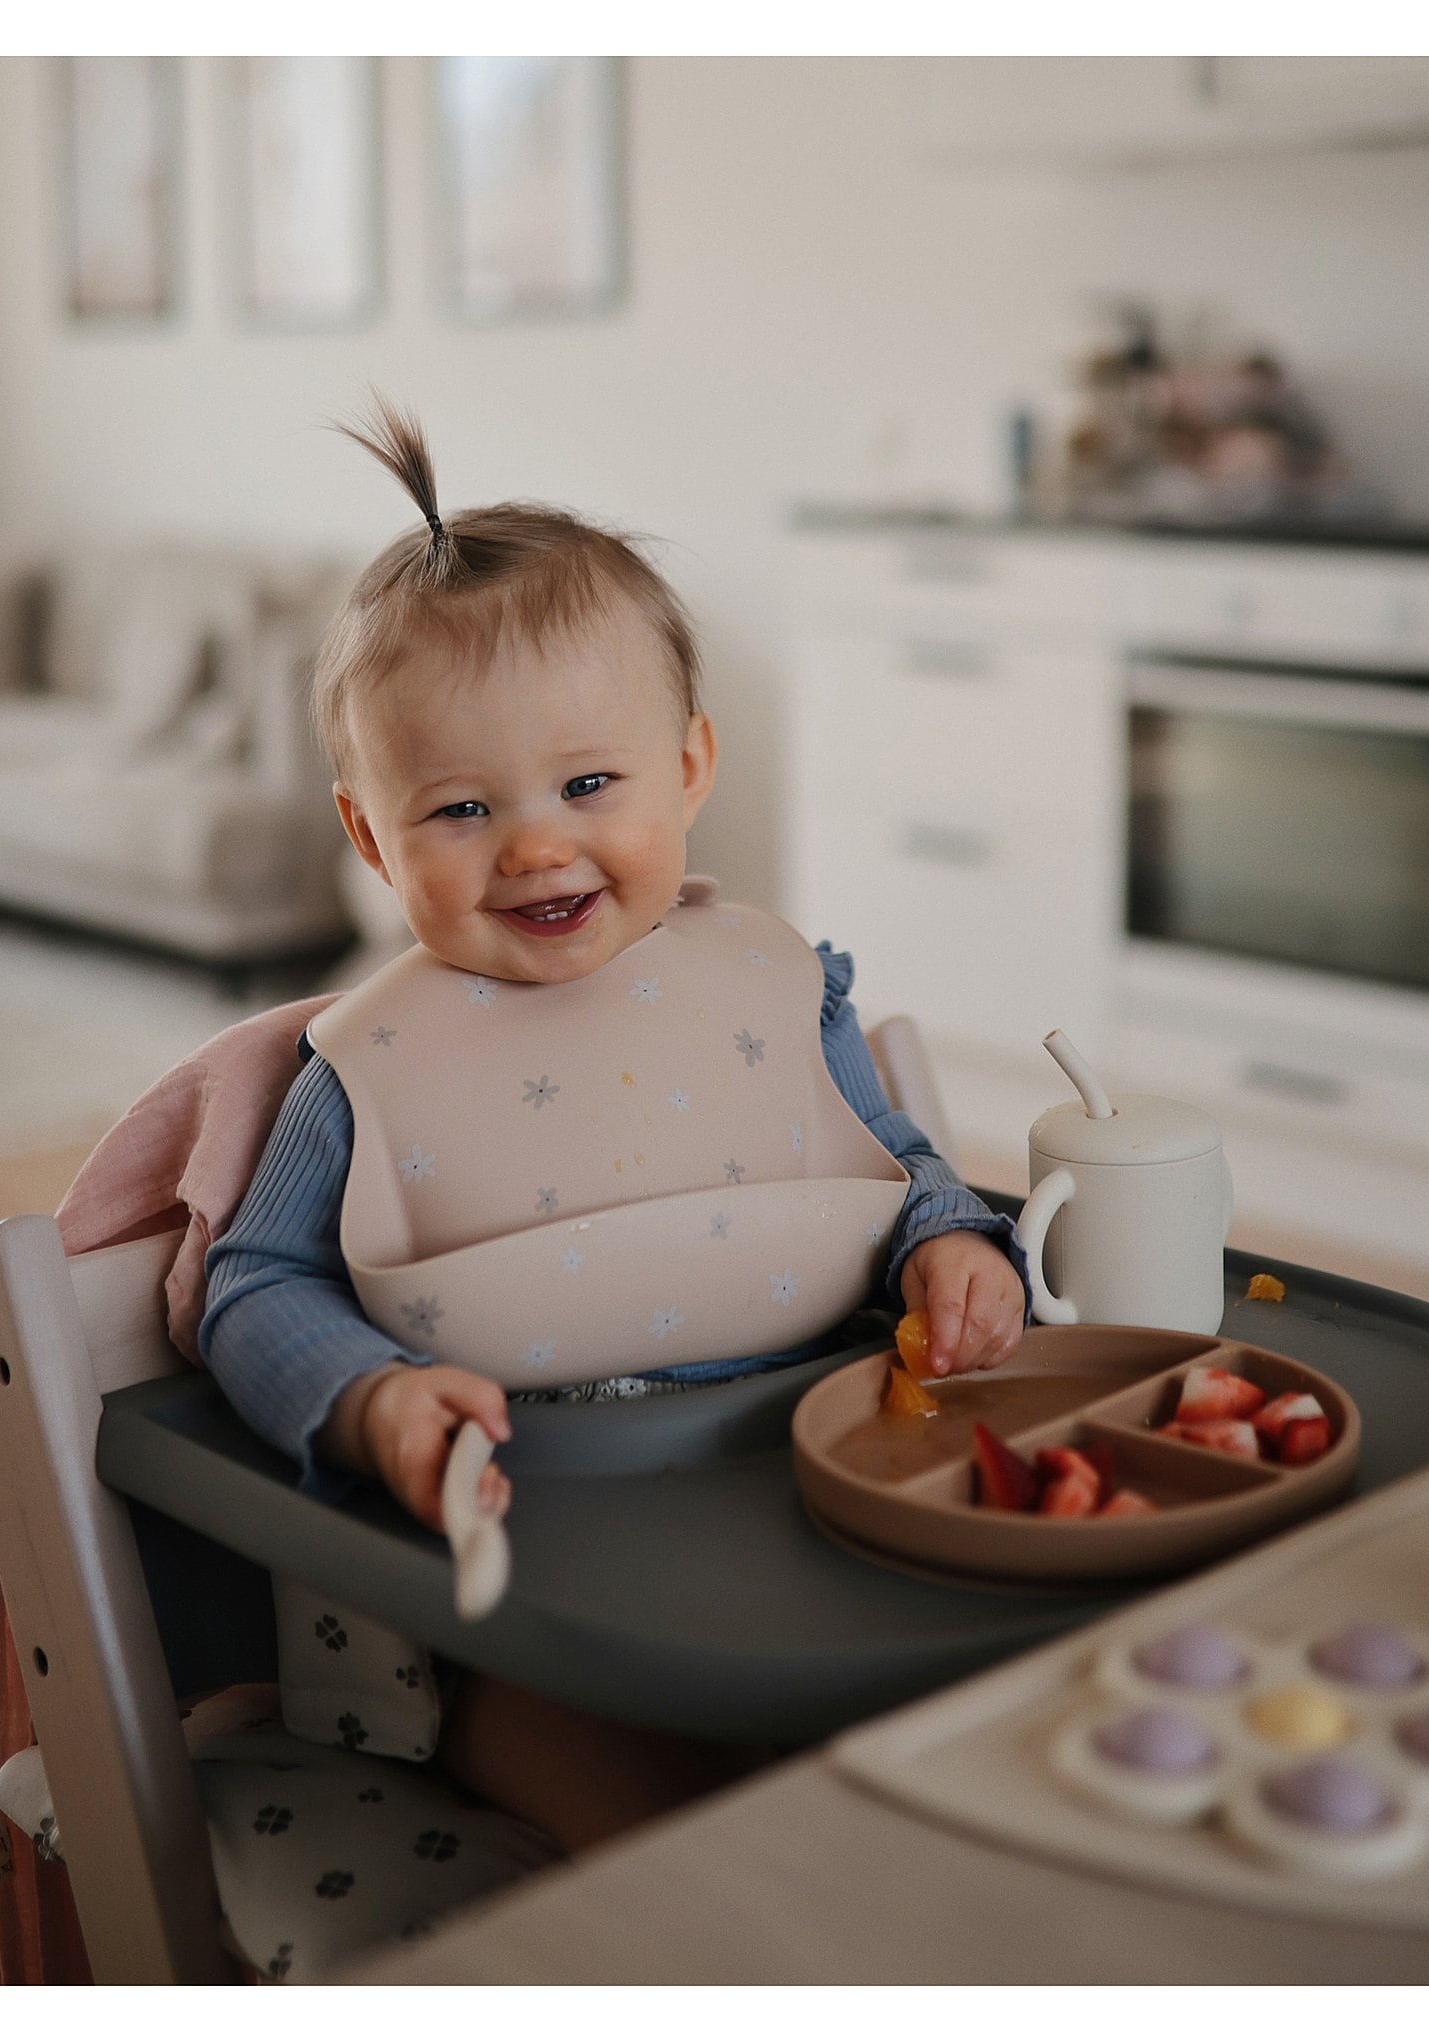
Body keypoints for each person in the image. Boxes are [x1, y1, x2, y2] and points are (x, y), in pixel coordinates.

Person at [199, 397, 1029, 1849]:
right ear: (367, 833)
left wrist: (948, 1243)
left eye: (591, 783)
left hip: (811, 1490)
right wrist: (372, 1400)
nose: (535, 844)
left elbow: (884, 1165)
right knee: (705, 1840)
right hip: (526, 1578)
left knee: (984, 1733)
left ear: (692, 767)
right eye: (458, 808)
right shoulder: (367, 1071)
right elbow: (253, 1284)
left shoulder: (774, 990)